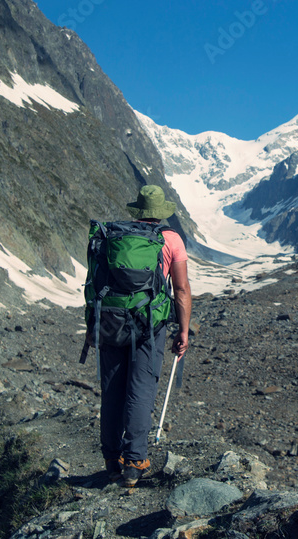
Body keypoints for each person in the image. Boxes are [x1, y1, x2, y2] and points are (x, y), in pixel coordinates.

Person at [94, 184, 191, 487]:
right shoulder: (170, 239)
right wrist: (183, 329)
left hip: (111, 320)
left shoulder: (115, 236)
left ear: (138, 210)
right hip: (149, 325)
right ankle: (134, 463)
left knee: (112, 390)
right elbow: (182, 290)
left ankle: (111, 460)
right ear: (160, 213)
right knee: (141, 390)